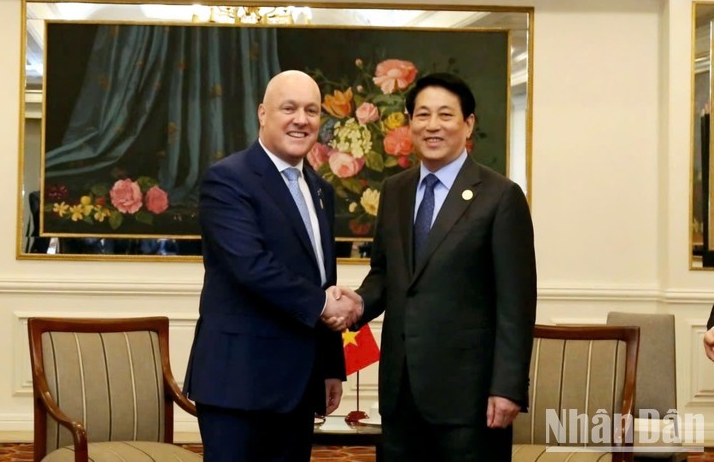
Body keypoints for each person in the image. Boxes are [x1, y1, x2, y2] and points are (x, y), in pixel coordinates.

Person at [340, 72, 537, 462]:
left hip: (470, 400)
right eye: (422, 115)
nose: (433, 126)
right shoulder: (395, 191)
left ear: (468, 124)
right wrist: (358, 303)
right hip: (401, 394)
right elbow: (385, 273)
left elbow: (516, 303)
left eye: (445, 115)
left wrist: (508, 387)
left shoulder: (500, 197)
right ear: (409, 123)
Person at [184, 70, 362, 462]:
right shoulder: (228, 179)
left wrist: (332, 366)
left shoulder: (320, 190)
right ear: (263, 114)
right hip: (239, 383)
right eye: (289, 108)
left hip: (298, 384)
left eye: (312, 110)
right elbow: (250, 265)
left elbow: (322, 278)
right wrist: (323, 305)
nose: (302, 119)